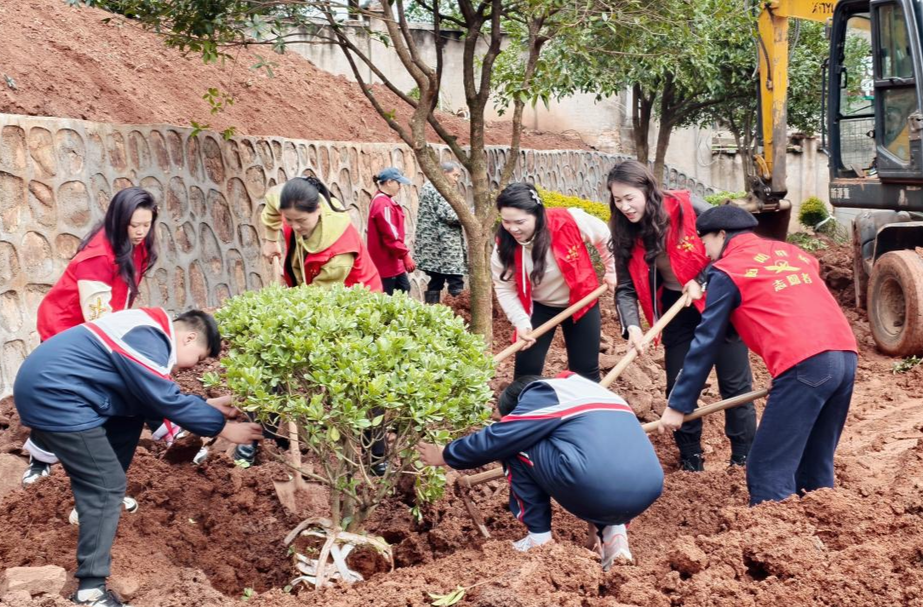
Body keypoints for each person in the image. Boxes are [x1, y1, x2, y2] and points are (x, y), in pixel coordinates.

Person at [13, 308, 263, 607]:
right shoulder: (148, 336)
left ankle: (92, 509)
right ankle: (90, 592)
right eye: (197, 359)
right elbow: (162, 396)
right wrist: (224, 428)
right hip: (56, 395)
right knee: (107, 484)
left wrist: (207, 406)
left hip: (63, 390)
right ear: (189, 337)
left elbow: (147, 395)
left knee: (129, 417)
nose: (190, 368)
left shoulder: (146, 330)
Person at [662, 205, 858, 505]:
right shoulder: (794, 254)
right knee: (814, 463)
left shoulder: (726, 270)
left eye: (706, 243)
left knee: (767, 468)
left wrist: (678, 404)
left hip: (804, 364)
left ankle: (778, 545)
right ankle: (824, 533)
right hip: (844, 356)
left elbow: (706, 341)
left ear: (722, 234)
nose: (707, 254)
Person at [417, 373, 663, 570]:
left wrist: (446, 454)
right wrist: (595, 526)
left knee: (514, 442)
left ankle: (539, 539)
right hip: (647, 486)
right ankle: (613, 534)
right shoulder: (599, 394)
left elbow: (500, 438)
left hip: (597, 485)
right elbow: (600, 456)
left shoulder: (543, 393)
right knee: (583, 455)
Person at [607, 160, 756, 472]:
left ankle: (743, 458)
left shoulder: (688, 207)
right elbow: (624, 287)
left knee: (735, 385)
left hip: (720, 301)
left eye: (630, 198)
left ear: (648, 190)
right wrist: (632, 326)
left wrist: (702, 278)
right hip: (676, 309)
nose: (624, 207)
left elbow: (733, 242)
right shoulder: (624, 231)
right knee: (677, 386)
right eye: (617, 200)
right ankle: (691, 458)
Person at [23, 187, 160, 486]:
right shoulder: (97, 257)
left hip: (97, 326)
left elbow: (119, 299)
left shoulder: (138, 245)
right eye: (133, 225)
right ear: (117, 220)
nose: (139, 232)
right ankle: (39, 462)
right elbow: (97, 316)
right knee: (62, 392)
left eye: (145, 224)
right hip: (65, 328)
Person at [492, 183, 617, 382]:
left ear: (538, 214)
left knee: (585, 371)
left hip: (581, 302)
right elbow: (504, 288)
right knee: (526, 371)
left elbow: (604, 235)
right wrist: (521, 322)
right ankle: (523, 411)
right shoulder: (504, 246)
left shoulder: (569, 221)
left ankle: (585, 410)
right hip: (538, 306)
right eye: (506, 222)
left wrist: (612, 270)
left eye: (520, 221)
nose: (512, 228)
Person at [261, 175, 382, 291]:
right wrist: (271, 240)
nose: (295, 226)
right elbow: (273, 198)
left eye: (301, 220)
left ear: (318, 209)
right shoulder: (291, 203)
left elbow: (317, 296)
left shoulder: (338, 256)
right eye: (288, 219)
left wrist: (287, 297)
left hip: (355, 299)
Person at [415, 162, 467, 303]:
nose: (456, 179)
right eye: (454, 175)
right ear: (444, 173)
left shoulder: (429, 186)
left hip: (435, 246)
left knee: (436, 280)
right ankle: (457, 315)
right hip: (444, 246)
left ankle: (432, 315)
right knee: (455, 280)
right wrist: (469, 215)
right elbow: (449, 215)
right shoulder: (439, 188)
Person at [368, 167, 415, 295]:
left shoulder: (383, 201)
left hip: (393, 262)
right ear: (389, 182)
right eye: (398, 183)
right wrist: (405, 255)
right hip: (386, 263)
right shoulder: (383, 204)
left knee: (404, 290)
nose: (400, 186)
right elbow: (390, 235)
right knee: (391, 295)